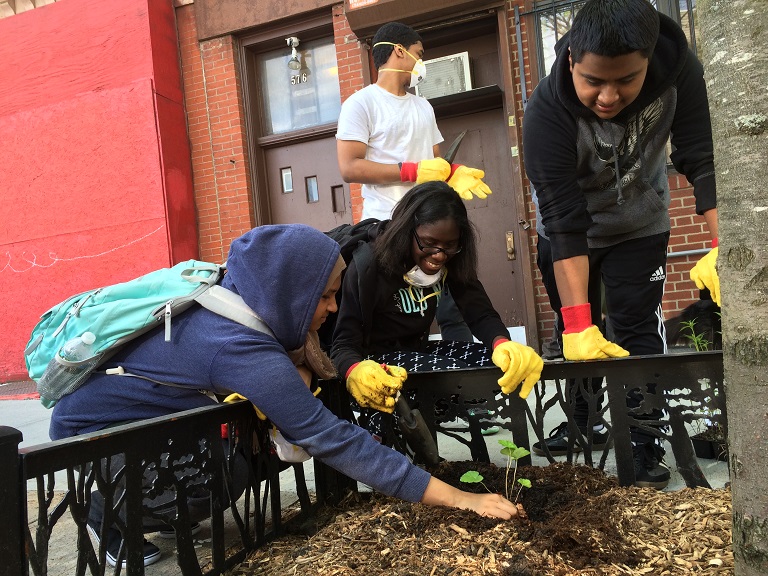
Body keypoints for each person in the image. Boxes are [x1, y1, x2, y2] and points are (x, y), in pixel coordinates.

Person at [50, 224, 520, 567]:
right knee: (227, 469)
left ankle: (155, 494)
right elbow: (329, 437)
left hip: (148, 421)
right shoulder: (237, 345)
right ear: (290, 290)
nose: (334, 308)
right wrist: (460, 500)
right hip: (93, 441)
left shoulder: (230, 297)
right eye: (327, 296)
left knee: (261, 454)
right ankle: (109, 512)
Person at [522, 0, 720, 489]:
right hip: (567, 234)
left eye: (625, 80)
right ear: (571, 62)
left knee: (634, 331)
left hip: (639, 225)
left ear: (648, 61)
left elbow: (702, 157)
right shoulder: (546, 112)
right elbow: (563, 218)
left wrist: (723, 246)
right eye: (593, 81)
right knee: (582, 334)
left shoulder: (680, 71)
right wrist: (576, 322)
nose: (607, 97)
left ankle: (643, 442)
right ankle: (584, 422)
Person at [331, 181, 544, 447]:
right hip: (374, 366)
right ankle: (383, 435)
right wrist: (355, 370)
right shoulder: (369, 264)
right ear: (407, 231)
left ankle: (411, 436)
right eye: (429, 243)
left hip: (413, 352)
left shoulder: (451, 259)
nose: (439, 256)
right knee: (453, 378)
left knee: (490, 366)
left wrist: (502, 343)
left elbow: (480, 313)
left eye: (449, 246)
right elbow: (342, 345)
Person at [336, 21, 492, 342]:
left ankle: (462, 379)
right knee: (392, 316)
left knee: (451, 309)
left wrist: (453, 170)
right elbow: (349, 167)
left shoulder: (423, 106)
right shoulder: (360, 104)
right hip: (385, 227)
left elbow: (435, 163)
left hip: (431, 226)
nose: (421, 63)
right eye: (419, 54)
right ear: (399, 51)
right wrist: (410, 171)